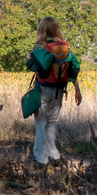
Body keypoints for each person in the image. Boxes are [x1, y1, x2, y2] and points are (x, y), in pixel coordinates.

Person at [25, 17, 82, 165]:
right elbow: (73, 69)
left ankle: (41, 159)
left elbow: (35, 67)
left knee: (41, 124)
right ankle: (55, 156)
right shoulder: (64, 48)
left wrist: (28, 59)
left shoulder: (40, 47)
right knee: (51, 123)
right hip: (59, 91)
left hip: (43, 90)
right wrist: (77, 90)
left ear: (41, 29)